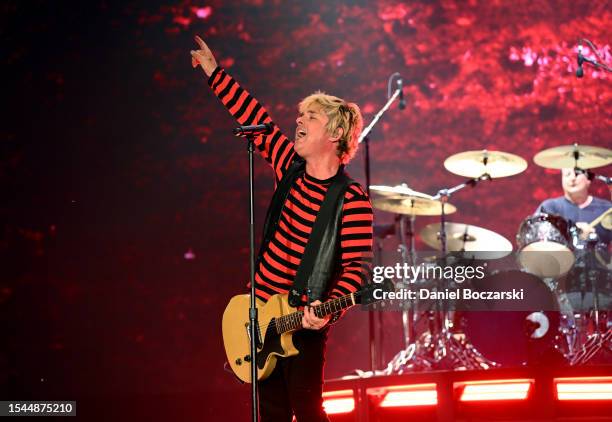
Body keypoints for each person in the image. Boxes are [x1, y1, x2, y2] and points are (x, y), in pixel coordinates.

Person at [191, 36, 373, 421]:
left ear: (335, 134)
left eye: (311, 117)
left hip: (303, 321)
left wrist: (328, 310)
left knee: (307, 411)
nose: (299, 121)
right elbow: (252, 116)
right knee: (270, 413)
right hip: (258, 314)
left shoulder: (351, 200)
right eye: (301, 115)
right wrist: (212, 71)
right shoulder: (288, 166)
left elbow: (356, 268)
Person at [535, 168, 611, 246]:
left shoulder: (606, 208)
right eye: (567, 174)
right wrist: (573, 231)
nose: (572, 178)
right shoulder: (549, 207)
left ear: (588, 179)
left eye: (577, 173)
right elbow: (537, 238)